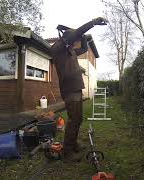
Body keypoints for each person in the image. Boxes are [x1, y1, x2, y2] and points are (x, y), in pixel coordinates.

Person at [50, 17, 108, 161]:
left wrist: (84, 39)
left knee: (77, 119)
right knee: (73, 120)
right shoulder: (58, 48)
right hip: (69, 90)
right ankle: (67, 153)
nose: (74, 40)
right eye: (72, 38)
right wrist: (93, 22)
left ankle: (73, 144)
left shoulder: (70, 51)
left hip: (76, 89)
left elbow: (83, 48)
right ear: (66, 38)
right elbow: (74, 34)